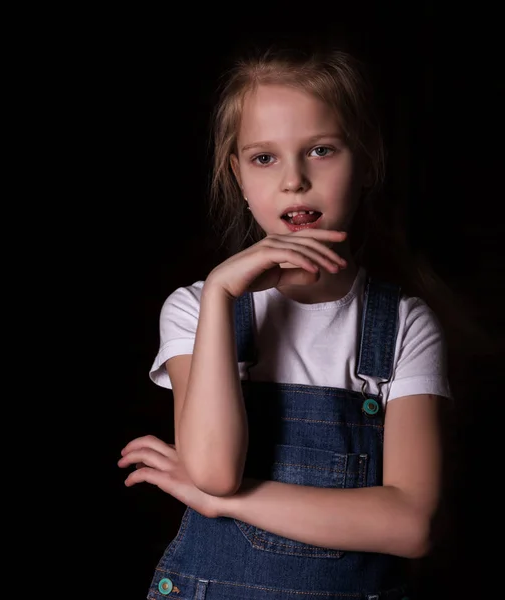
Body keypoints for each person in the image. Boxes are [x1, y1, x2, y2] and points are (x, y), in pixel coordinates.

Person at [118, 44, 455, 599]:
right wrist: (222, 293)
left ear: (366, 161)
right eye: (264, 158)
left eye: (321, 150)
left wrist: (221, 504)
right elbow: (212, 469)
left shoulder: (402, 325)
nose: (294, 180)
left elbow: (410, 525)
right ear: (239, 177)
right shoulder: (195, 309)